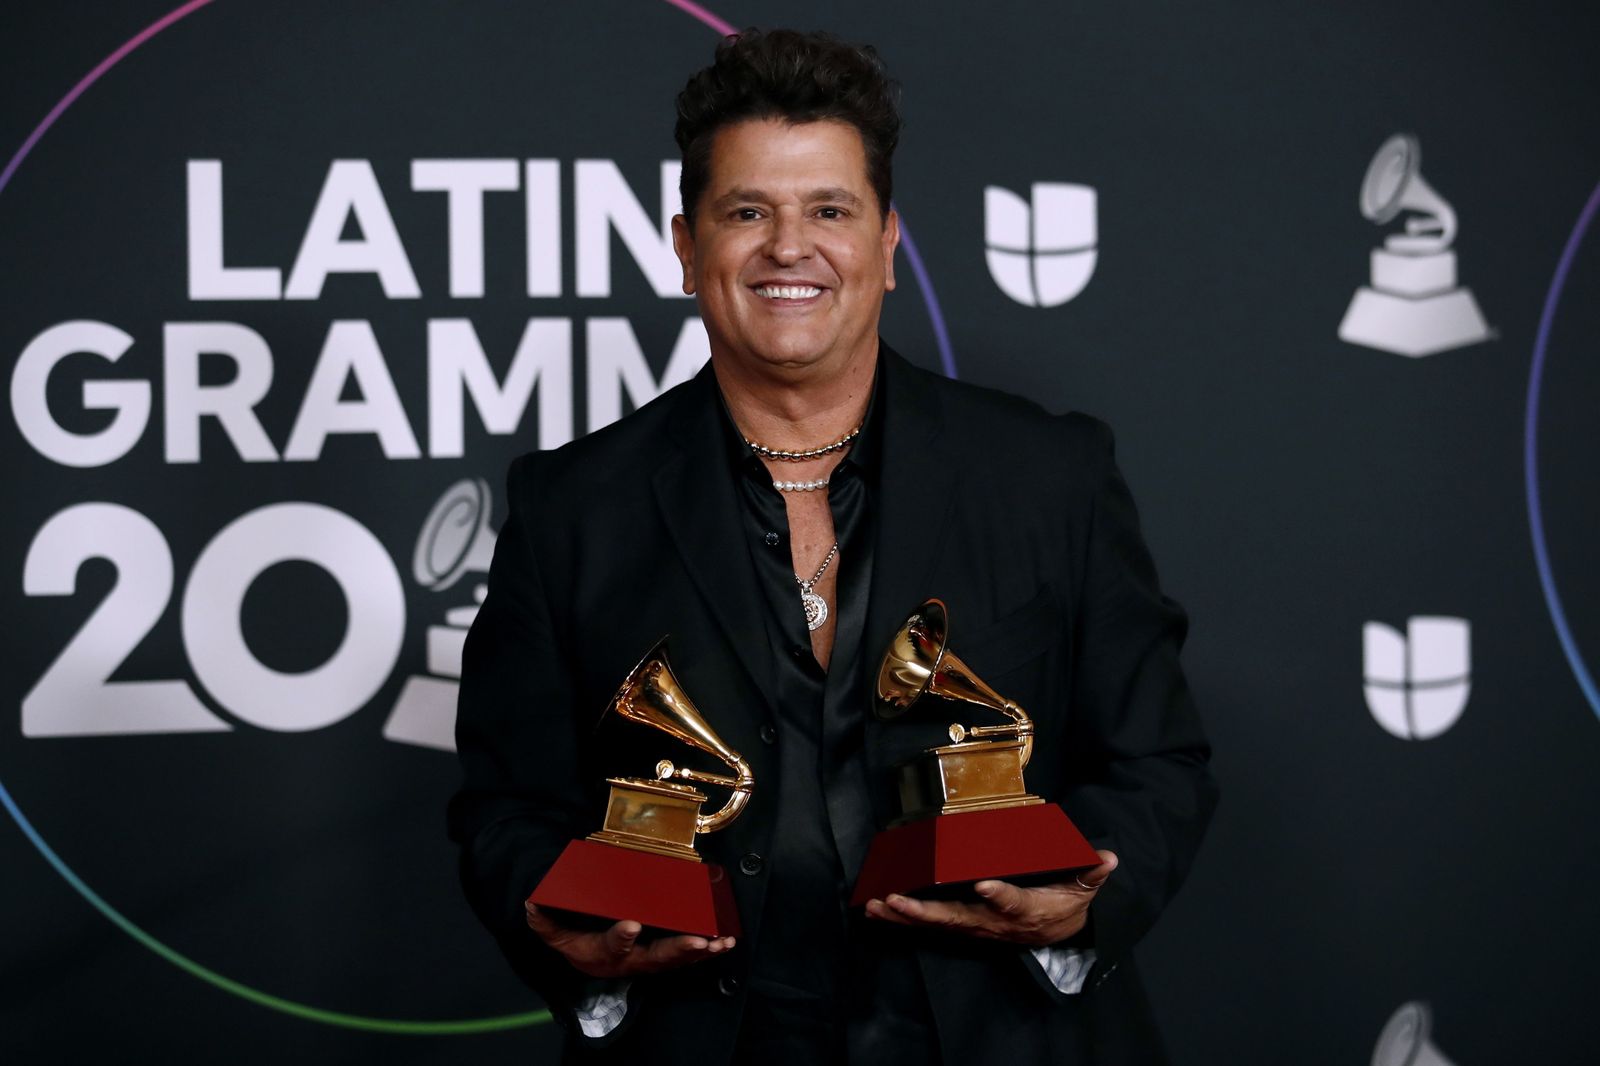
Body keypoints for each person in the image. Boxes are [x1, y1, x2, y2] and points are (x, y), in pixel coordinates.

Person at [449, 28, 1216, 1065]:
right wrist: (574, 939)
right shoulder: (571, 503)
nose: (787, 247)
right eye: (746, 211)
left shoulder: (1050, 472)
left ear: (888, 243)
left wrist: (1078, 907)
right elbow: (507, 803)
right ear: (685, 247)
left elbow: (1158, 760)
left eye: (828, 210)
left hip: (1007, 1039)